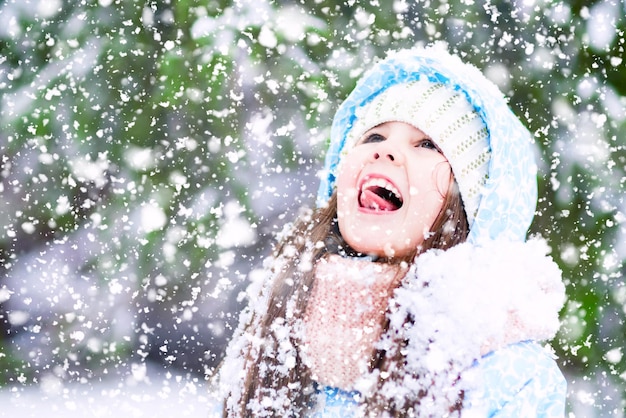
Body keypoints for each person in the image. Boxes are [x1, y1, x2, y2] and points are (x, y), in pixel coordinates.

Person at [214, 45, 567, 417]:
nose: (386, 152)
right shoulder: (276, 331)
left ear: (471, 210)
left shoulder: (511, 380)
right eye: (374, 137)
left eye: (427, 144)